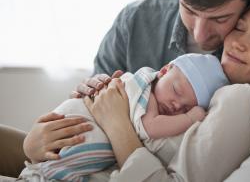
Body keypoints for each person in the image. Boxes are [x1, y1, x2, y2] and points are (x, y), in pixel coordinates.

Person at [0, 0, 250, 177]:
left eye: (220, 18)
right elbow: (91, 117)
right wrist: (34, 144)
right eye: (189, 9)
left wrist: (119, 124)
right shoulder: (136, 21)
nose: (200, 34)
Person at [21, 0, 250, 182]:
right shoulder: (209, 82)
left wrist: (117, 122)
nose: (238, 42)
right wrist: (37, 145)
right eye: (239, 27)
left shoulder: (237, 101)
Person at [19, 54, 228, 182]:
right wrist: (190, 117)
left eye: (185, 107)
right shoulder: (145, 90)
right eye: (175, 90)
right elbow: (151, 127)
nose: (176, 105)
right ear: (164, 71)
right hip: (68, 127)